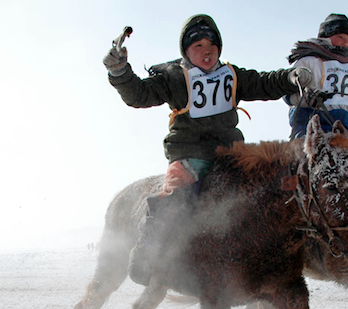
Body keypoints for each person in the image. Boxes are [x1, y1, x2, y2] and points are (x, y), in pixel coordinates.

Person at [102, 14, 313, 286]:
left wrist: (289, 77)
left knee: (266, 187)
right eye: (198, 46)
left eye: (211, 44)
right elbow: (139, 94)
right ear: (186, 51)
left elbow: (264, 82)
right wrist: (120, 72)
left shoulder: (232, 76)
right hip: (189, 152)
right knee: (175, 194)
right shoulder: (174, 77)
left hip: (230, 154)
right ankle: (146, 252)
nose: (206, 50)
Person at [285, 13, 348, 138]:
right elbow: (287, 93)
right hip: (310, 134)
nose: (346, 43)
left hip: (345, 136)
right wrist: (308, 97)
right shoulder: (310, 62)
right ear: (326, 37)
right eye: (340, 37)